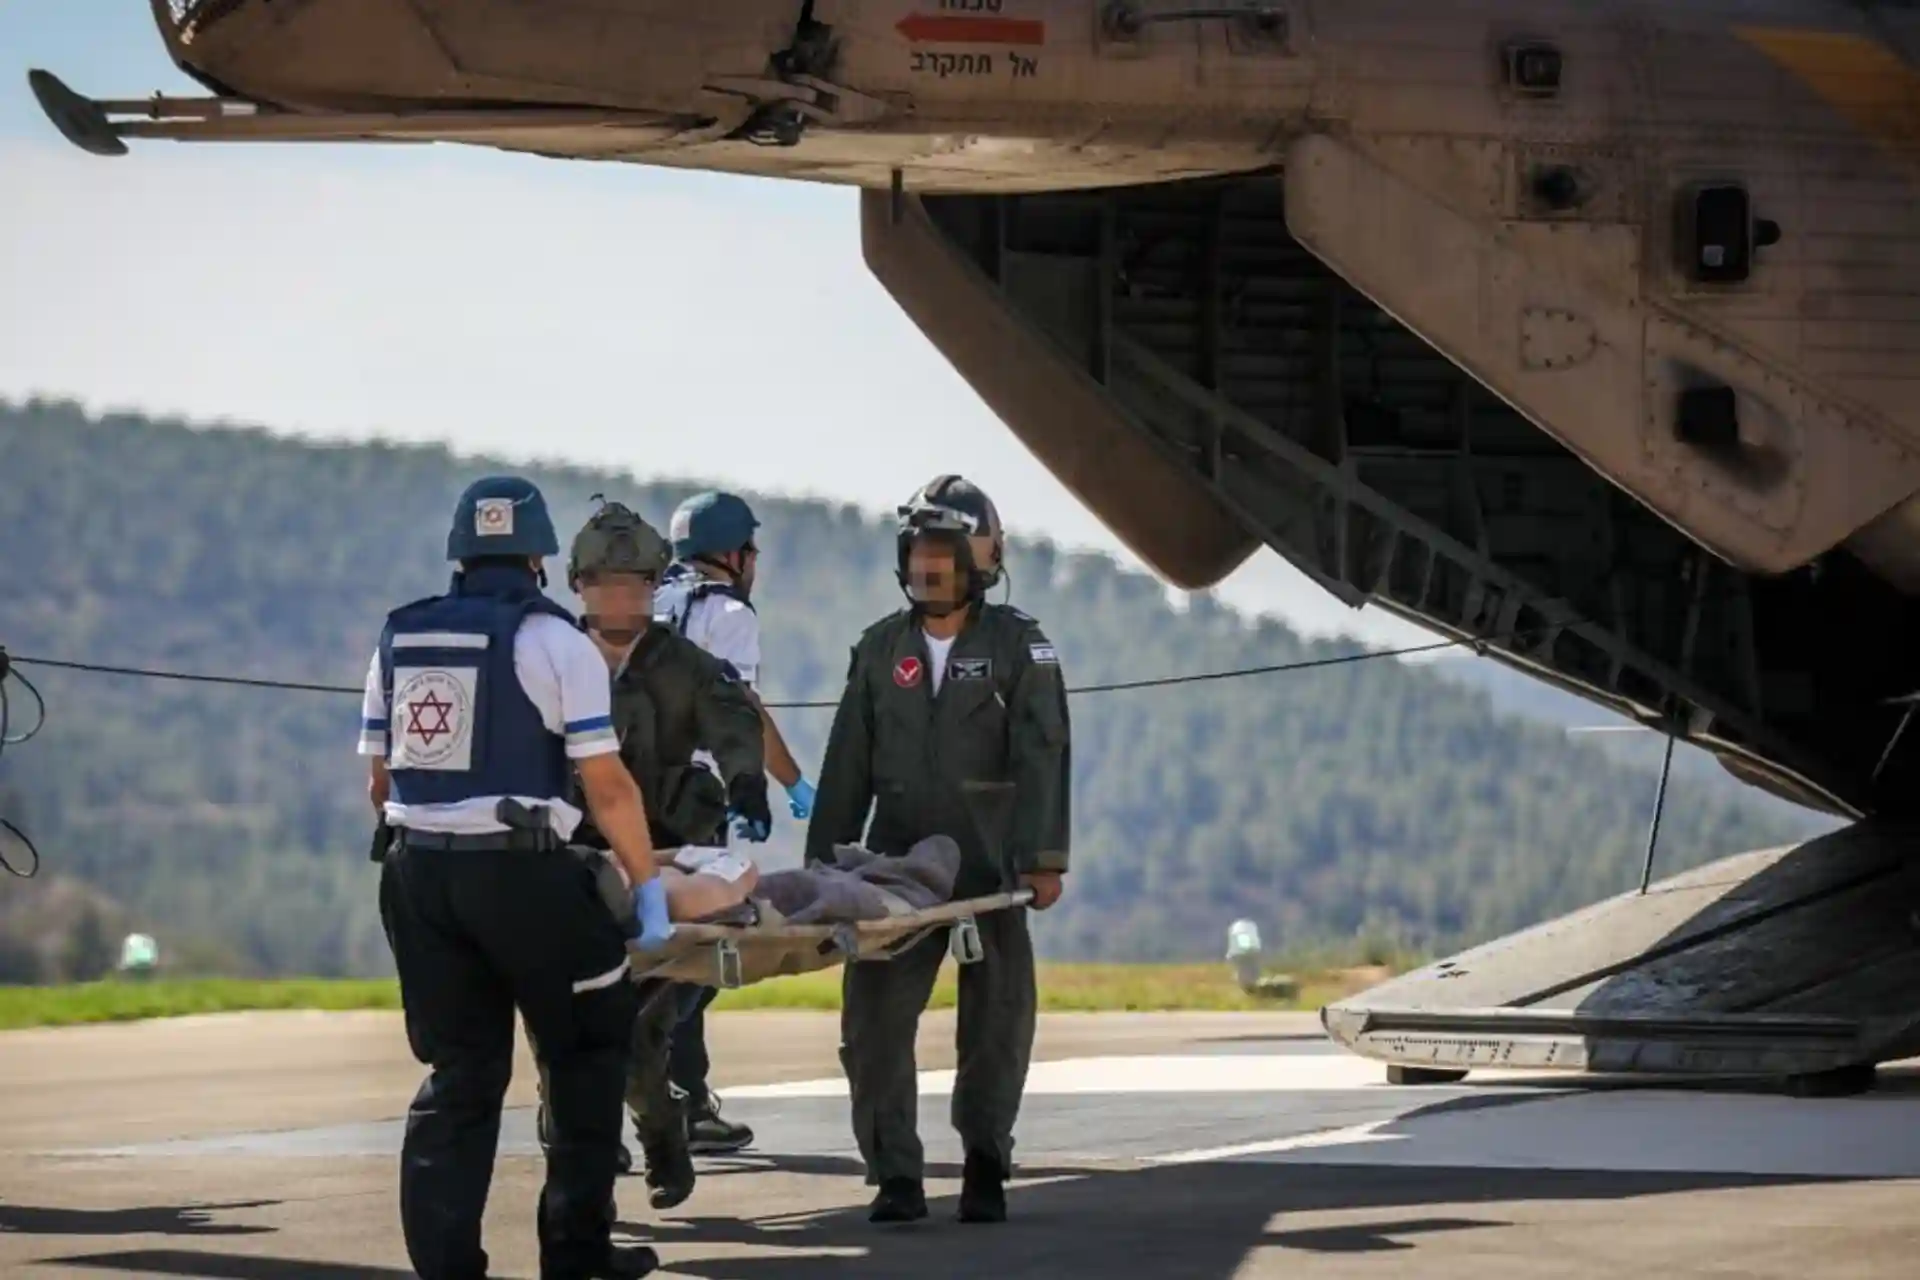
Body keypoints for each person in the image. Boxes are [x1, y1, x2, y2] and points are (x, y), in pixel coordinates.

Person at [359, 475, 669, 1280]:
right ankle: (576, 1255)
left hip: (418, 879)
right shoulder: (555, 640)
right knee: (584, 1054)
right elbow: (606, 785)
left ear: (460, 551)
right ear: (540, 556)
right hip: (522, 877)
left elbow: (381, 783)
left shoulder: (401, 636)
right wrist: (649, 886)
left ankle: (446, 1266)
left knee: (459, 1076)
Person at [804, 474, 1071, 1226]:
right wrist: (824, 865)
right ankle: (896, 1175)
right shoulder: (879, 648)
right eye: (918, 551)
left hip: (992, 864)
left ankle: (985, 1158)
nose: (928, 567)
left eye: (944, 553)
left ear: (981, 559)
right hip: (897, 868)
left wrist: (1044, 857)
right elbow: (846, 761)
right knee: (875, 1023)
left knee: (996, 1019)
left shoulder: (1022, 647)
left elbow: (1044, 752)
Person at [533, 497, 771, 1211]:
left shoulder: (686, 666)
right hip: (582, 865)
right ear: (578, 586)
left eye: (634, 583)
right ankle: (590, 1163)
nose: (619, 597)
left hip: (679, 855)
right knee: (562, 1031)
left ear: (653, 585)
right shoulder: (549, 658)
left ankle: (662, 1133)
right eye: (604, 583)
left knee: (641, 1027)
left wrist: (749, 782)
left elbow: (732, 717)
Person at [650, 489, 813, 1155]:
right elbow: (737, 709)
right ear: (735, 554)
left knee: (634, 947)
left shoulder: (643, 600)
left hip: (617, 792)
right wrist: (793, 780)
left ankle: (610, 1094)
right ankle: (676, 1100)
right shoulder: (727, 614)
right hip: (689, 798)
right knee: (699, 950)